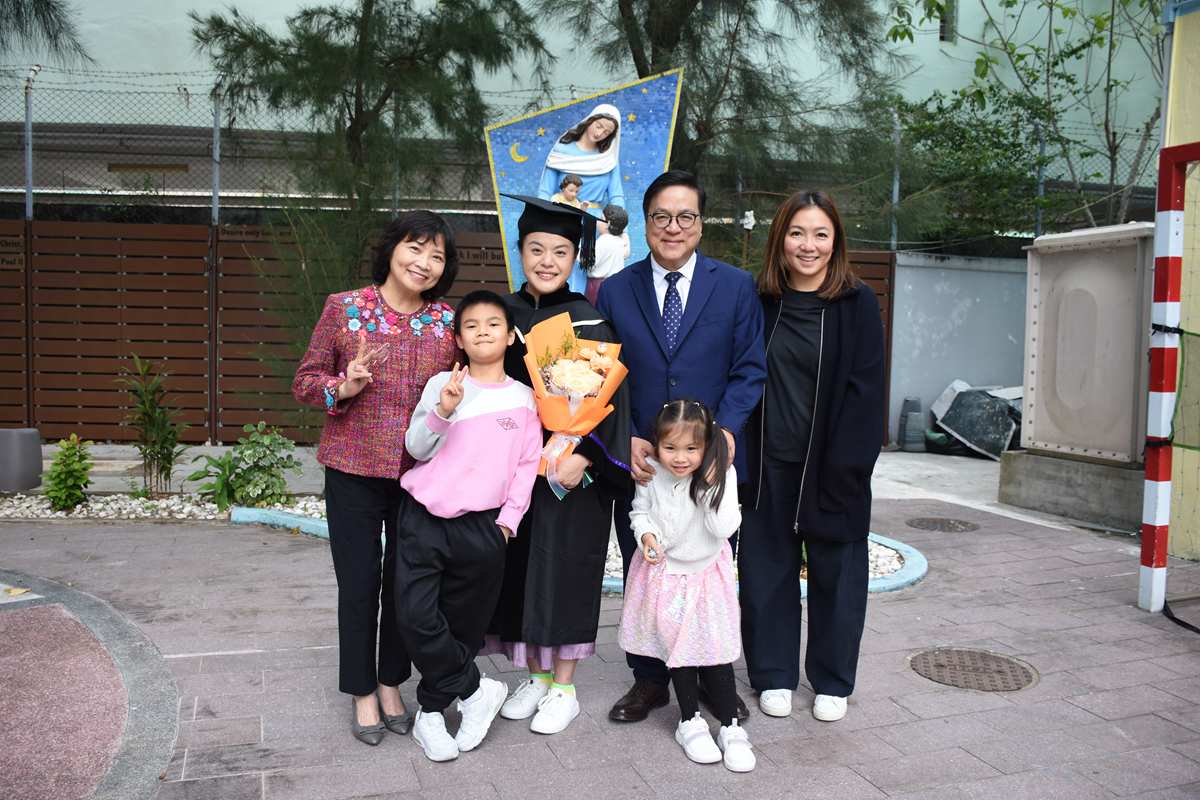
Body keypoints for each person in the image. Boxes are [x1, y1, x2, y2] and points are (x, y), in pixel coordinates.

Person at [596, 170, 766, 724]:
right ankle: (649, 680)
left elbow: (749, 369)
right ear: (646, 223)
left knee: (708, 577)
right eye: (662, 217)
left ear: (700, 223)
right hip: (645, 462)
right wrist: (626, 434)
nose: (673, 227)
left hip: (708, 464)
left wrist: (726, 433)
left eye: (685, 216)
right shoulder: (616, 290)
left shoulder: (735, 286)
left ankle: (714, 678)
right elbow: (605, 373)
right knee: (647, 572)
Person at [292, 211, 459, 746]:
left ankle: (391, 683)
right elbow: (304, 381)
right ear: (391, 249)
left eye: (437, 256)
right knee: (359, 583)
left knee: (406, 587)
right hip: (352, 471)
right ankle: (362, 690)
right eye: (416, 248)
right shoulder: (344, 308)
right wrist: (343, 386)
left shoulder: (448, 322)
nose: (424, 263)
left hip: (420, 477)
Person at [483, 195, 631, 736]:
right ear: (519, 250)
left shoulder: (591, 320)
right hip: (514, 472)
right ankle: (538, 677)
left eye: (560, 251)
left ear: (576, 258)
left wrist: (585, 453)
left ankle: (564, 687)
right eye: (536, 249)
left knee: (565, 567)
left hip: (572, 473)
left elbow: (615, 399)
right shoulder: (500, 315)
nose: (547, 261)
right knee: (521, 566)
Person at [738, 190, 885, 723]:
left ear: (835, 241)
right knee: (765, 574)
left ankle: (832, 680)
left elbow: (867, 390)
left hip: (832, 467)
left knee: (837, 577)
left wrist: (849, 469)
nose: (808, 245)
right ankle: (773, 675)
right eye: (797, 233)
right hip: (767, 466)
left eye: (821, 234)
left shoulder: (855, 303)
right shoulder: (759, 299)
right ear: (780, 239)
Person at [394, 290, 543, 762]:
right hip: (423, 518)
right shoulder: (443, 383)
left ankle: (431, 715)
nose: (482, 332)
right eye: (471, 325)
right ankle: (478, 690)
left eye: (493, 323)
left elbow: (527, 466)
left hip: (483, 528)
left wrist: (507, 524)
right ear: (458, 338)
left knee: (461, 628)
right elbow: (416, 448)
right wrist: (444, 410)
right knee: (415, 616)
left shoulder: (524, 399)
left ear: (510, 335)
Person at [619, 400, 755, 773]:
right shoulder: (651, 471)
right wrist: (646, 535)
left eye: (691, 448)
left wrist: (711, 485)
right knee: (677, 647)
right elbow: (639, 511)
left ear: (706, 444)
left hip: (706, 576)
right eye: (670, 448)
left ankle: (730, 726)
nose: (680, 458)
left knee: (715, 649)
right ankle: (689, 720)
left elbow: (723, 527)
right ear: (657, 443)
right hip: (667, 575)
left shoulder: (721, 475)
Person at [586, 204, 630, 306]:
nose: (597, 221)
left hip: (597, 286)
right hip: (616, 283)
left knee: (595, 310)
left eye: (600, 218)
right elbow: (626, 253)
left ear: (608, 223)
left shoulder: (602, 242)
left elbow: (589, 263)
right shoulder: (620, 241)